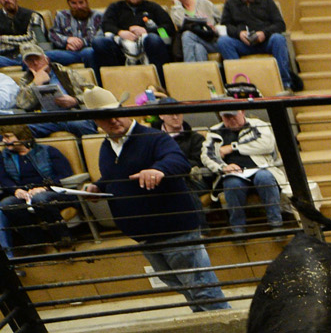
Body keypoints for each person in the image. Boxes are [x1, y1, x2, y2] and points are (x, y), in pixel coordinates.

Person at [82, 87, 229, 311]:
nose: (113, 120)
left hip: (173, 229)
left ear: (125, 111)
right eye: (105, 117)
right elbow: (115, 175)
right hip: (145, 234)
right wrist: (97, 186)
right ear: (96, 122)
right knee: (185, 287)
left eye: (116, 113)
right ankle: (212, 327)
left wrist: (159, 170)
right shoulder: (107, 147)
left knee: (202, 288)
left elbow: (177, 160)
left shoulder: (154, 137)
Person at [201, 106, 288, 232]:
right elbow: (207, 156)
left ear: (242, 112)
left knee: (265, 178)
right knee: (232, 184)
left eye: (234, 116)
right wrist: (223, 167)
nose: (231, 120)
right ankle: (238, 229)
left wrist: (232, 147)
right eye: (227, 117)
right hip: (233, 174)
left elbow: (266, 145)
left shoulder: (258, 125)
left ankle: (276, 223)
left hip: (260, 168)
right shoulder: (215, 132)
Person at [0, 123, 76, 248]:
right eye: (3, 137)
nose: (4, 141)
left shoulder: (48, 151)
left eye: (8, 137)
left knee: (40, 199)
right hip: (25, 195)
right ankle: (37, 242)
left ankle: (63, 237)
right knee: (8, 204)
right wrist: (16, 190)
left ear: (22, 137)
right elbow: (4, 179)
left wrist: (44, 188)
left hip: (53, 191)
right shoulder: (5, 157)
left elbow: (65, 175)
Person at [218, 0, 300, 92]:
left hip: (265, 42)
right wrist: (239, 33)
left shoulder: (267, 1)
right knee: (223, 42)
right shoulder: (230, 4)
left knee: (278, 39)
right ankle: (240, 84)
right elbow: (226, 26)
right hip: (243, 43)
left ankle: (285, 83)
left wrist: (264, 33)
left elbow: (280, 24)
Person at [14, 43, 95, 137]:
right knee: (24, 130)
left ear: (46, 59)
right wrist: (35, 83)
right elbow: (22, 105)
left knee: (79, 124)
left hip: (72, 115)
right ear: (26, 64)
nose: (35, 63)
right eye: (30, 61)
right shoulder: (26, 80)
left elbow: (93, 93)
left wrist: (75, 100)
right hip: (46, 119)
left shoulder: (66, 72)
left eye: (37, 59)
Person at [103, 0, 175, 74]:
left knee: (153, 39)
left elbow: (169, 29)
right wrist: (120, 32)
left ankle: (160, 79)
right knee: (100, 42)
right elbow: (106, 25)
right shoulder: (115, 7)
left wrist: (147, 31)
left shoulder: (153, 7)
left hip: (150, 44)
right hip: (123, 47)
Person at [46, 0, 119, 75]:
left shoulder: (97, 16)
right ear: (69, 4)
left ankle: (97, 85)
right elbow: (52, 34)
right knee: (44, 56)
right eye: (74, 3)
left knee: (89, 53)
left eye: (81, 2)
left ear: (86, 2)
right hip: (69, 53)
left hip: (89, 50)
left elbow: (99, 37)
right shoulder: (61, 15)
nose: (79, 6)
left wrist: (81, 42)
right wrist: (67, 40)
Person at [0, 0, 50, 64]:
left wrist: (4, 39)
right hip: (7, 58)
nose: (5, 0)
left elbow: (35, 41)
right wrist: (21, 44)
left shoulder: (33, 16)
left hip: (31, 56)